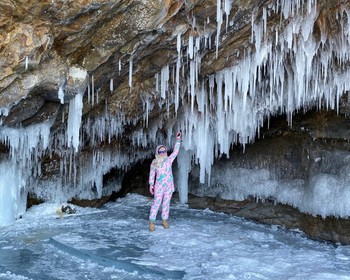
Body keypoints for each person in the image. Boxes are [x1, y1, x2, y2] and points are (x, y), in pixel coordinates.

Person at [148, 131, 182, 231]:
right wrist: (151, 184)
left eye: (164, 151)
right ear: (158, 152)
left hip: (169, 185)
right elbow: (152, 174)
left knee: (166, 203)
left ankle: (164, 220)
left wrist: (178, 140)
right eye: (161, 152)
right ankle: (152, 221)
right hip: (159, 186)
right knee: (156, 203)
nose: (163, 153)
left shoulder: (169, 160)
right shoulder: (154, 162)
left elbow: (175, 152)